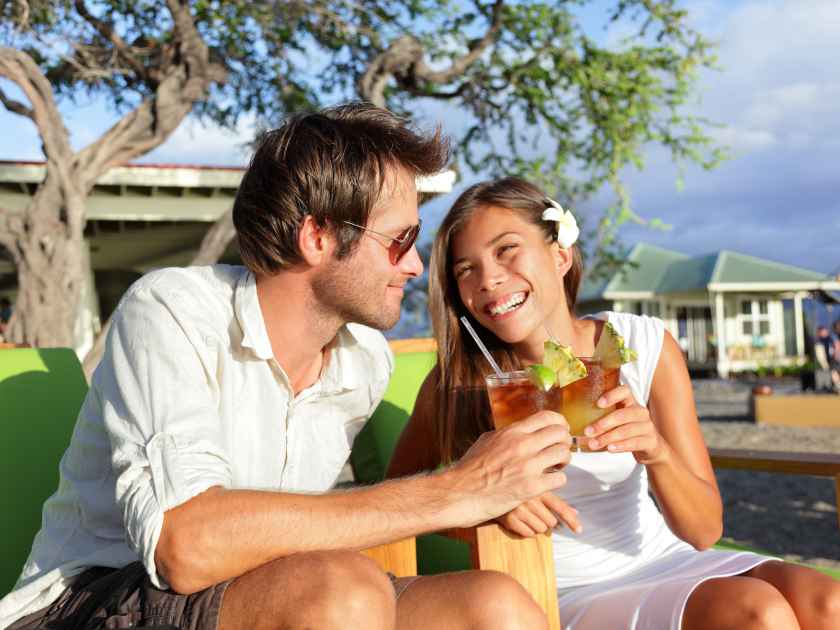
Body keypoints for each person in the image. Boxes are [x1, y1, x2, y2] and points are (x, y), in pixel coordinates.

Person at [0, 107, 573, 630]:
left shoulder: (363, 361)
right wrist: (457, 490)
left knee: (493, 609)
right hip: (88, 602)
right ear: (318, 236)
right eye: (400, 240)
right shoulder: (173, 311)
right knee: (341, 592)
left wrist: (492, 490)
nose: (418, 266)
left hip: (260, 591)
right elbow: (185, 546)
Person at [387, 177, 840, 630]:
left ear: (560, 254)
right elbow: (397, 502)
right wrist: (478, 499)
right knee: (759, 613)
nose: (489, 280)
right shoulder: (460, 382)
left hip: (663, 555)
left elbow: (704, 531)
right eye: (466, 269)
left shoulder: (644, 345)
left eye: (507, 250)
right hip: (559, 586)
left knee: (829, 603)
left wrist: (656, 450)